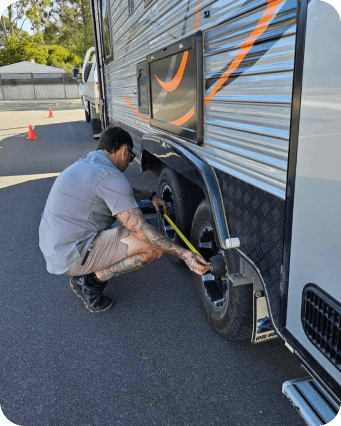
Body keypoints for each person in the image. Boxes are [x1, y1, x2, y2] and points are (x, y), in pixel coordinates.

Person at [39, 126, 212, 313]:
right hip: (72, 255)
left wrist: (151, 195)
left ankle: (88, 271)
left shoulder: (88, 165)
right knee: (152, 247)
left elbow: (122, 192)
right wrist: (186, 255)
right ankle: (89, 281)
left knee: (141, 233)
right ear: (123, 150)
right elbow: (140, 228)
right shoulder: (110, 176)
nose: (129, 162)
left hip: (56, 247)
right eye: (130, 156)